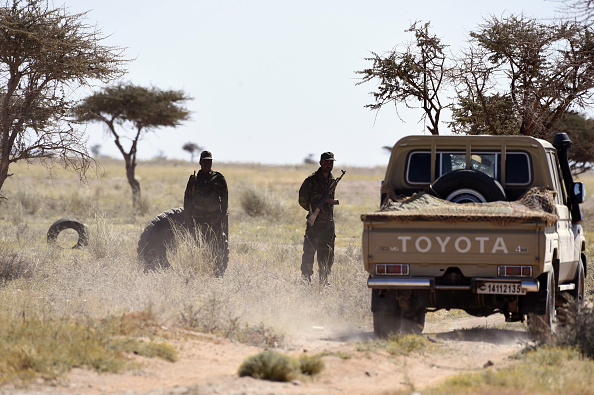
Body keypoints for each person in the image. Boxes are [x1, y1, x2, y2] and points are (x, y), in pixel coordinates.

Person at [183, 150, 229, 277]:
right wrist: (187, 216)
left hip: (214, 216)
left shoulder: (218, 178)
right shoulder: (194, 179)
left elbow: (224, 197)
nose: (207, 164)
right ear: (200, 163)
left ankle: (217, 270)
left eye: (209, 161)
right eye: (205, 161)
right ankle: (196, 268)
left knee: (217, 243)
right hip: (197, 215)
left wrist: (223, 214)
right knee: (197, 242)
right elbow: (187, 198)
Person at [299, 152, 339, 285]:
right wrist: (314, 211)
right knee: (309, 251)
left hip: (328, 224)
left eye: (331, 162)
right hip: (314, 224)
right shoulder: (311, 181)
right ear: (321, 162)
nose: (329, 165)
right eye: (327, 162)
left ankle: (324, 280)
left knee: (327, 253)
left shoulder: (332, 181)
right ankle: (306, 279)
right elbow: (302, 200)